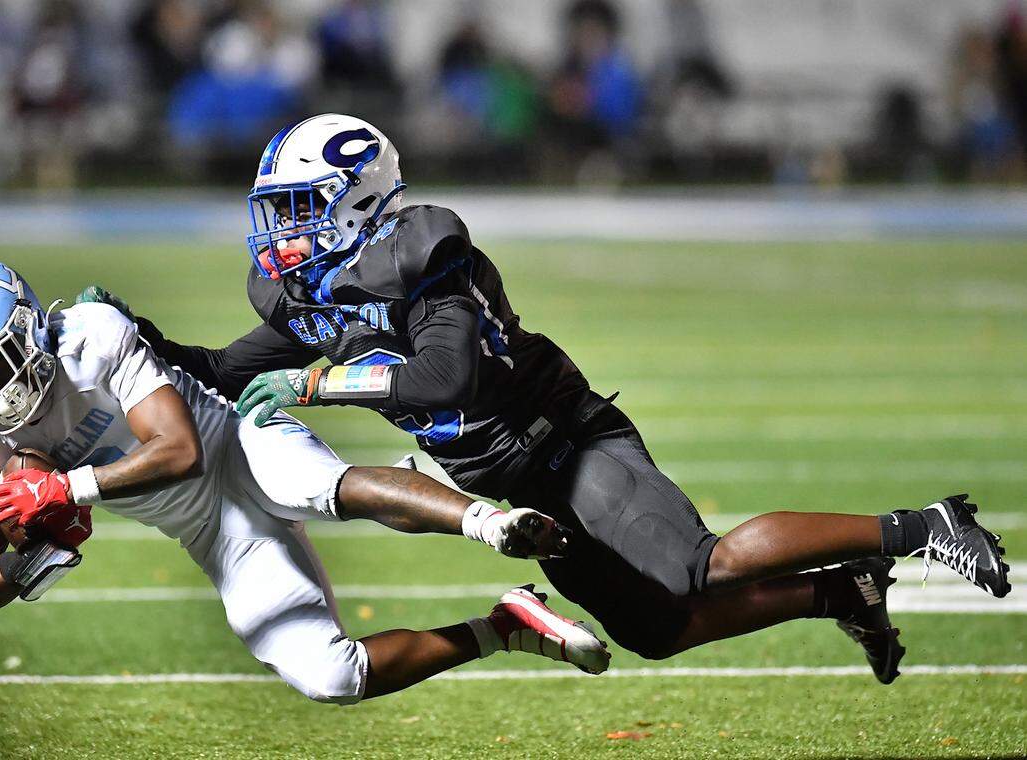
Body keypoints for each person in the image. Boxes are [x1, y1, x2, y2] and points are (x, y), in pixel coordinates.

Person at [82, 114, 1011, 685]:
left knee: (700, 566)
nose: (280, 232)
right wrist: (140, 338)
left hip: (563, 441)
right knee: (656, 630)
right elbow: (227, 367)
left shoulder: (425, 252)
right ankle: (833, 594)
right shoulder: (305, 294)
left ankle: (920, 525)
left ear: (354, 199)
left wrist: (321, 382)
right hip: (509, 481)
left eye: (297, 207)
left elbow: (450, 378)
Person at [0, 256, 610, 705]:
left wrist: (69, 489)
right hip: (210, 532)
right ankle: (504, 626)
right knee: (332, 678)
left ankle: (488, 522)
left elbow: (179, 449)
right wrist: (34, 562)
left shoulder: (89, 336)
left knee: (315, 484)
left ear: (31, 328)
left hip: (235, 442)